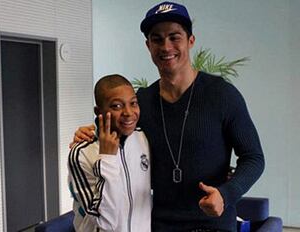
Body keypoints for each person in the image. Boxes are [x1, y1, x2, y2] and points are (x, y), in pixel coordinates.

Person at [72, 2, 264, 231]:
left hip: (213, 224)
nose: (166, 46)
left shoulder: (222, 95)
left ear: (190, 41)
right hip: (160, 224)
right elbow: (117, 128)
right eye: (157, 39)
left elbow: (254, 158)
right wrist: (91, 131)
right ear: (148, 46)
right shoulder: (141, 102)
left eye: (175, 37)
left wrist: (226, 194)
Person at [68, 74, 151, 232]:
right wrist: (107, 158)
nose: (128, 112)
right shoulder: (81, 154)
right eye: (116, 106)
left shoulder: (143, 138)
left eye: (133, 103)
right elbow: (105, 220)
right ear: (98, 111)